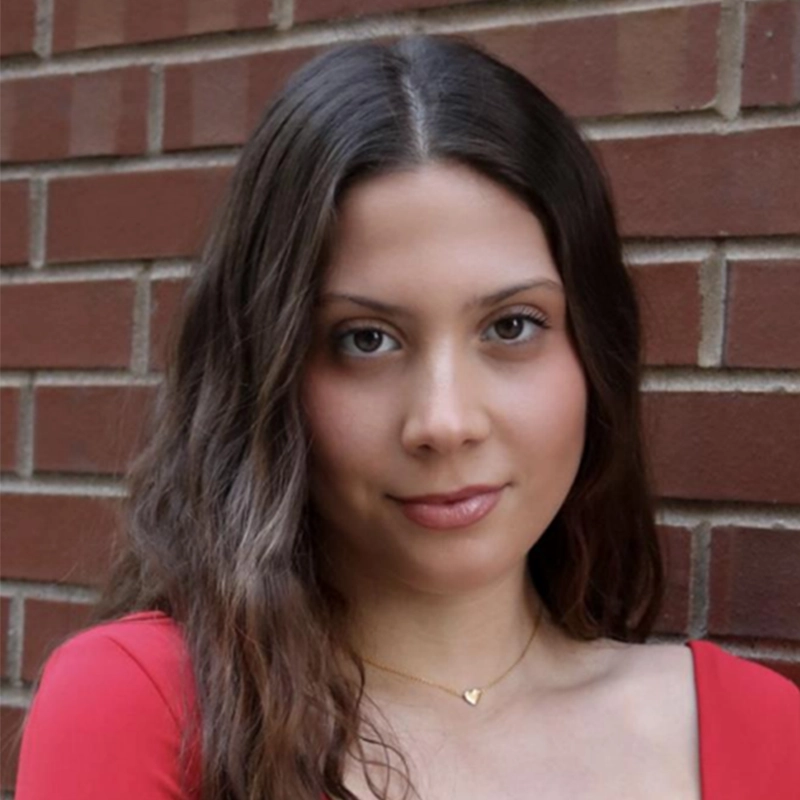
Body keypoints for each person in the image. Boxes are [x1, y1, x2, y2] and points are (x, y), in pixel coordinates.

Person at [14, 34, 799, 800]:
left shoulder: (760, 732)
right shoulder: (147, 706)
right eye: (366, 340)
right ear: (268, 369)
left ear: (595, 348)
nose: (445, 421)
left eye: (512, 326)